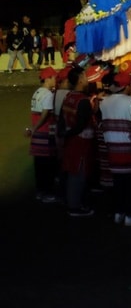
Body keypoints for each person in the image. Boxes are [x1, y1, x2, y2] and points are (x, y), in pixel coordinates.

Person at [99, 71, 131, 226]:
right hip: (129, 151)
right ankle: (130, 215)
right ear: (127, 86)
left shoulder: (104, 102)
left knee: (118, 184)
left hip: (112, 151)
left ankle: (119, 213)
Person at [59, 66, 97, 217]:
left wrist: (64, 133)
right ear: (80, 80)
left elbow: (62, 118)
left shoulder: (68, 96)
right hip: (81, 141)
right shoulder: (83, 101)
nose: (87, 79)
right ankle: (75, 206)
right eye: (85, 76)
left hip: (71, 140)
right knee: (79, 174)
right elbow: (81, 124)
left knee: (72, 172)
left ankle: (71, 202)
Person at [25, 66, 60, 203]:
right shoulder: (48, 94)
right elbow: (45, 113)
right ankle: (47, 192)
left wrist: (33, 129)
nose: (55, 80)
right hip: (45, 133)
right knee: (47, 166)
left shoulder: (37, 92)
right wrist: (35, 128)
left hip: (38, 135)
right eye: (54, 78)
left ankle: (40, 192)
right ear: (48, 79)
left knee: (39, 166)